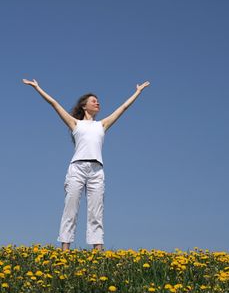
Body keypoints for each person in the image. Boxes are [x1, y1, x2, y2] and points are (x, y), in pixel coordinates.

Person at [22, 78, 150, 251]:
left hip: (97, 170)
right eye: (93, 100)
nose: (97, 102)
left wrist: (138, 92)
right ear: (84, 106)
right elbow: (54, 103)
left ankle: (98, 250)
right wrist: (37, 88)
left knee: (96, 212)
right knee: (71, 208)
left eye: (98, 101)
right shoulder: (75, 123)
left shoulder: (102, 124)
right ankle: (64, 250)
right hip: (77, 169)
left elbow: (123, 108)